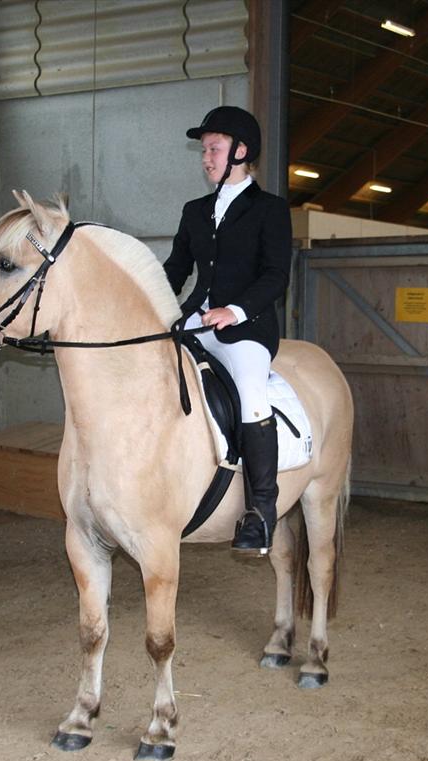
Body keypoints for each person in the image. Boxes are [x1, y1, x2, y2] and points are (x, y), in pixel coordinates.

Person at [162, 106, 292, 556]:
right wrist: (154, 308)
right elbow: (175, 271)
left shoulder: (269, 209)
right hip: (196, 322)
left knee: (252, 397)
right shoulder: (194, 211)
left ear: (241, 152)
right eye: (204, 150)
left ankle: (260, 514)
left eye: (214, 148)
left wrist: (234, 311)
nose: (206, 157)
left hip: (247, 329)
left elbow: (276, 276)